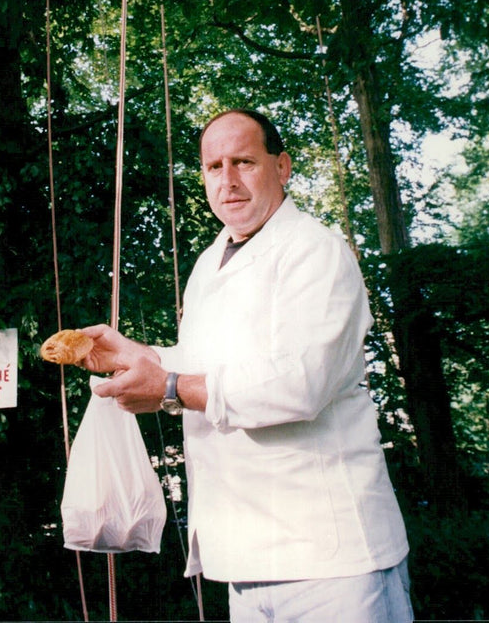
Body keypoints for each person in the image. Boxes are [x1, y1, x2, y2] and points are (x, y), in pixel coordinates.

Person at [82, 108, 413, 623]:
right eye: (214, 166)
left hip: (329, 560)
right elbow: (205, 366)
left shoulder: (314, 250)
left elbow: (301, 383)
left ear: (281, 167)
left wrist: (167, 386)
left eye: (244, 161)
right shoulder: (209, 263)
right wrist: (138, 357)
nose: (228, 180)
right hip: (242, 555)